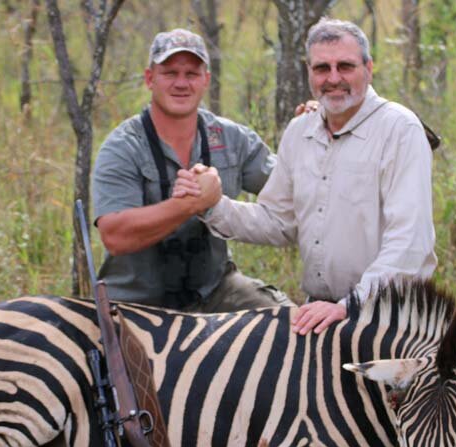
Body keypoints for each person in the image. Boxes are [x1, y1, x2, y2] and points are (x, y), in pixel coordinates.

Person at [176, 18, 437, 334]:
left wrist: (347, 307)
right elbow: (278, 221)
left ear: (369, 68)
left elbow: (410, 243)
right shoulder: (300, 132)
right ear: (309, 72)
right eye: (322, 68)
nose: (334, 78)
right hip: (321, 314)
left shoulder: (399, 130)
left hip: (390, 318)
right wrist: (212, 205)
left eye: (346, 66)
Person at [92, 28, 292, 311]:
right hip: (136, 303)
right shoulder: (122, 147)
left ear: (206, 80)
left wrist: (317, 129)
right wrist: (189, 205)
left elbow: (293, 186)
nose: (181, 83)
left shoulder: (231, 139)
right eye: (170, 73)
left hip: (215, 290)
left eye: (192, 74)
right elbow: (115, 236)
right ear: (150, 79)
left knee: (292, 323)